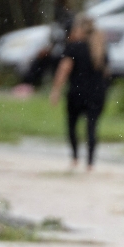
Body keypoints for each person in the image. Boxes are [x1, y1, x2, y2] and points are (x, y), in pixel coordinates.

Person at [49, 16, 108, 171]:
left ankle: (75, 158)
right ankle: (90, 163)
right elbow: (106, 72)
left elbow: (64, 69)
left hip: (77, 92)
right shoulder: (101, 48)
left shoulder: (74, 47)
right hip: (97, 93)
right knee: (92, 127)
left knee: (72, 125)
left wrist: (56, 90)